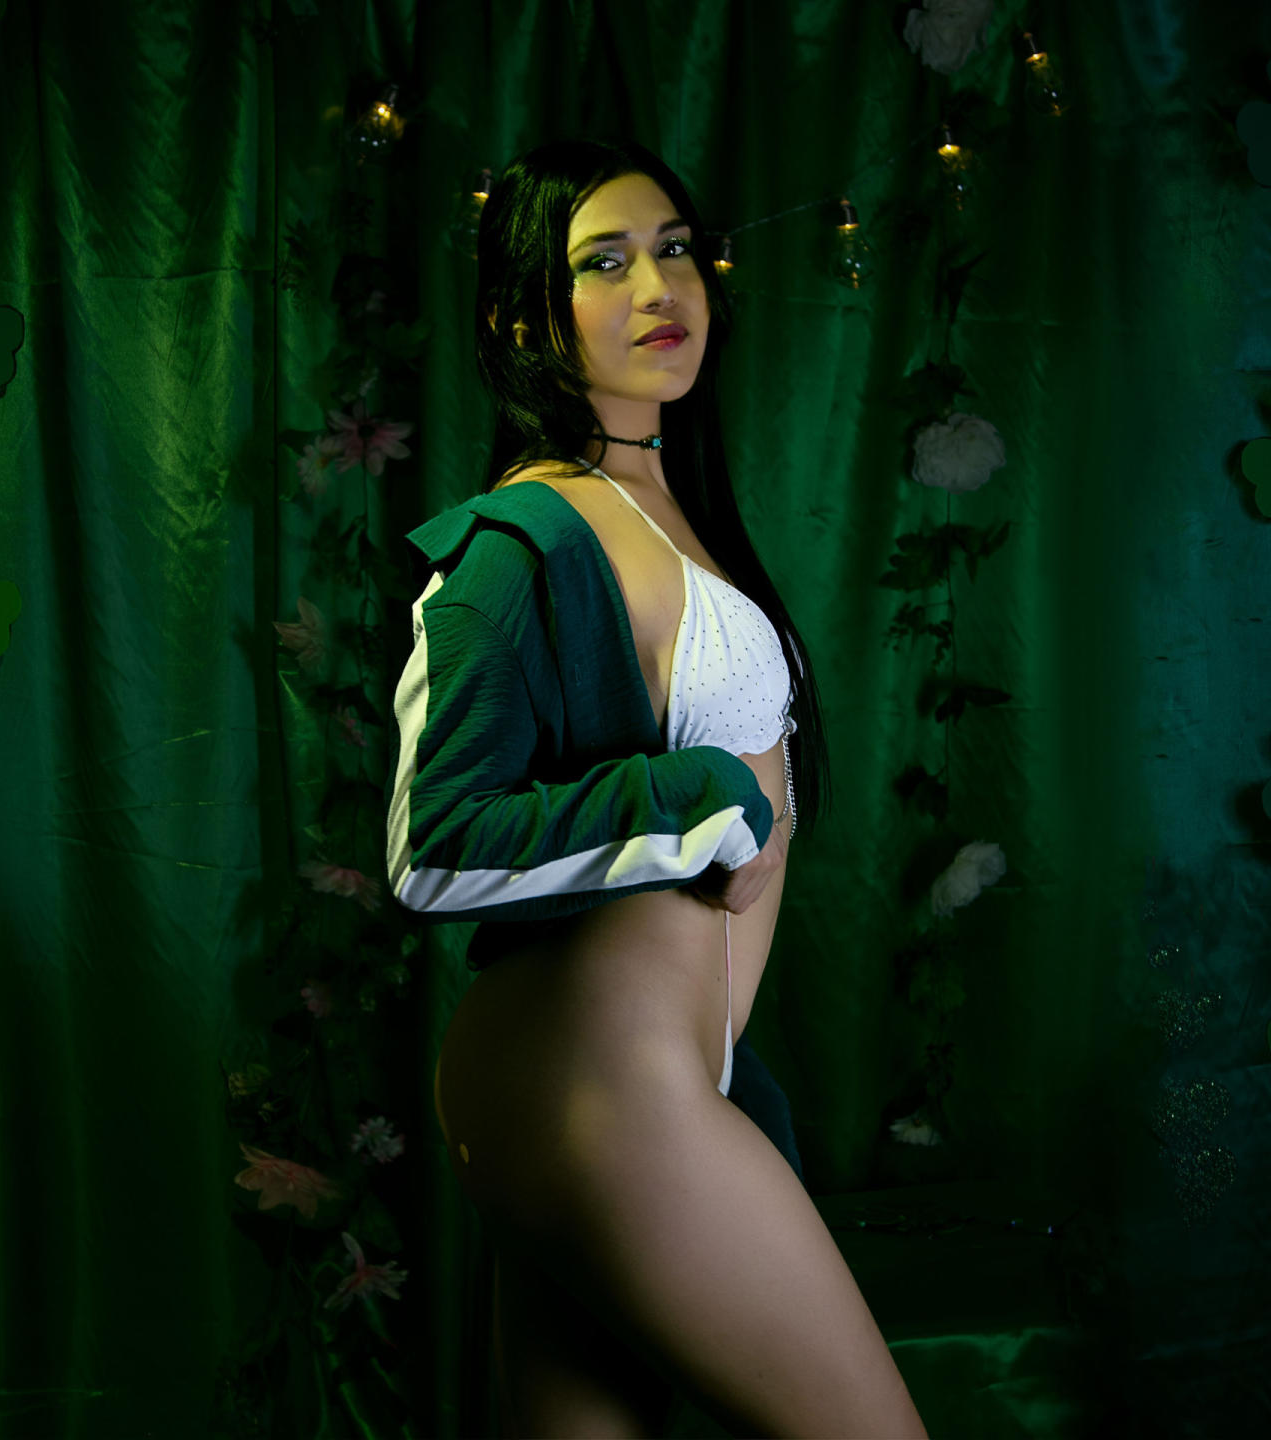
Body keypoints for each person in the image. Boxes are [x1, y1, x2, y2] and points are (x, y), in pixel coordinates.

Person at [387, 138, 928, 1438]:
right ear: (525, 317)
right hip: (600, 1081)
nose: (656, 286)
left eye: (675, 249)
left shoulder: (669, 507)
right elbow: (431, 843)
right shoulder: (525, 538)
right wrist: (692, 794)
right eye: (604, 262)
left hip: (645, 1076)